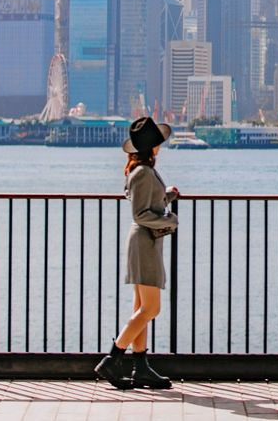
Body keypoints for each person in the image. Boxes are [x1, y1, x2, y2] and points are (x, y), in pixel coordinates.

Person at [95, 116, 179, 390]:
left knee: (140, 307)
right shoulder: (142, 172)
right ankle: (113, 357)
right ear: (152, 146)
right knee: (151, 308)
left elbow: (145, 201)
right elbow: (141, 213)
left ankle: (140, 365)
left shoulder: (141, 170)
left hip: (143, 242)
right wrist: (171, 220)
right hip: (145, 242)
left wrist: (166, 196)